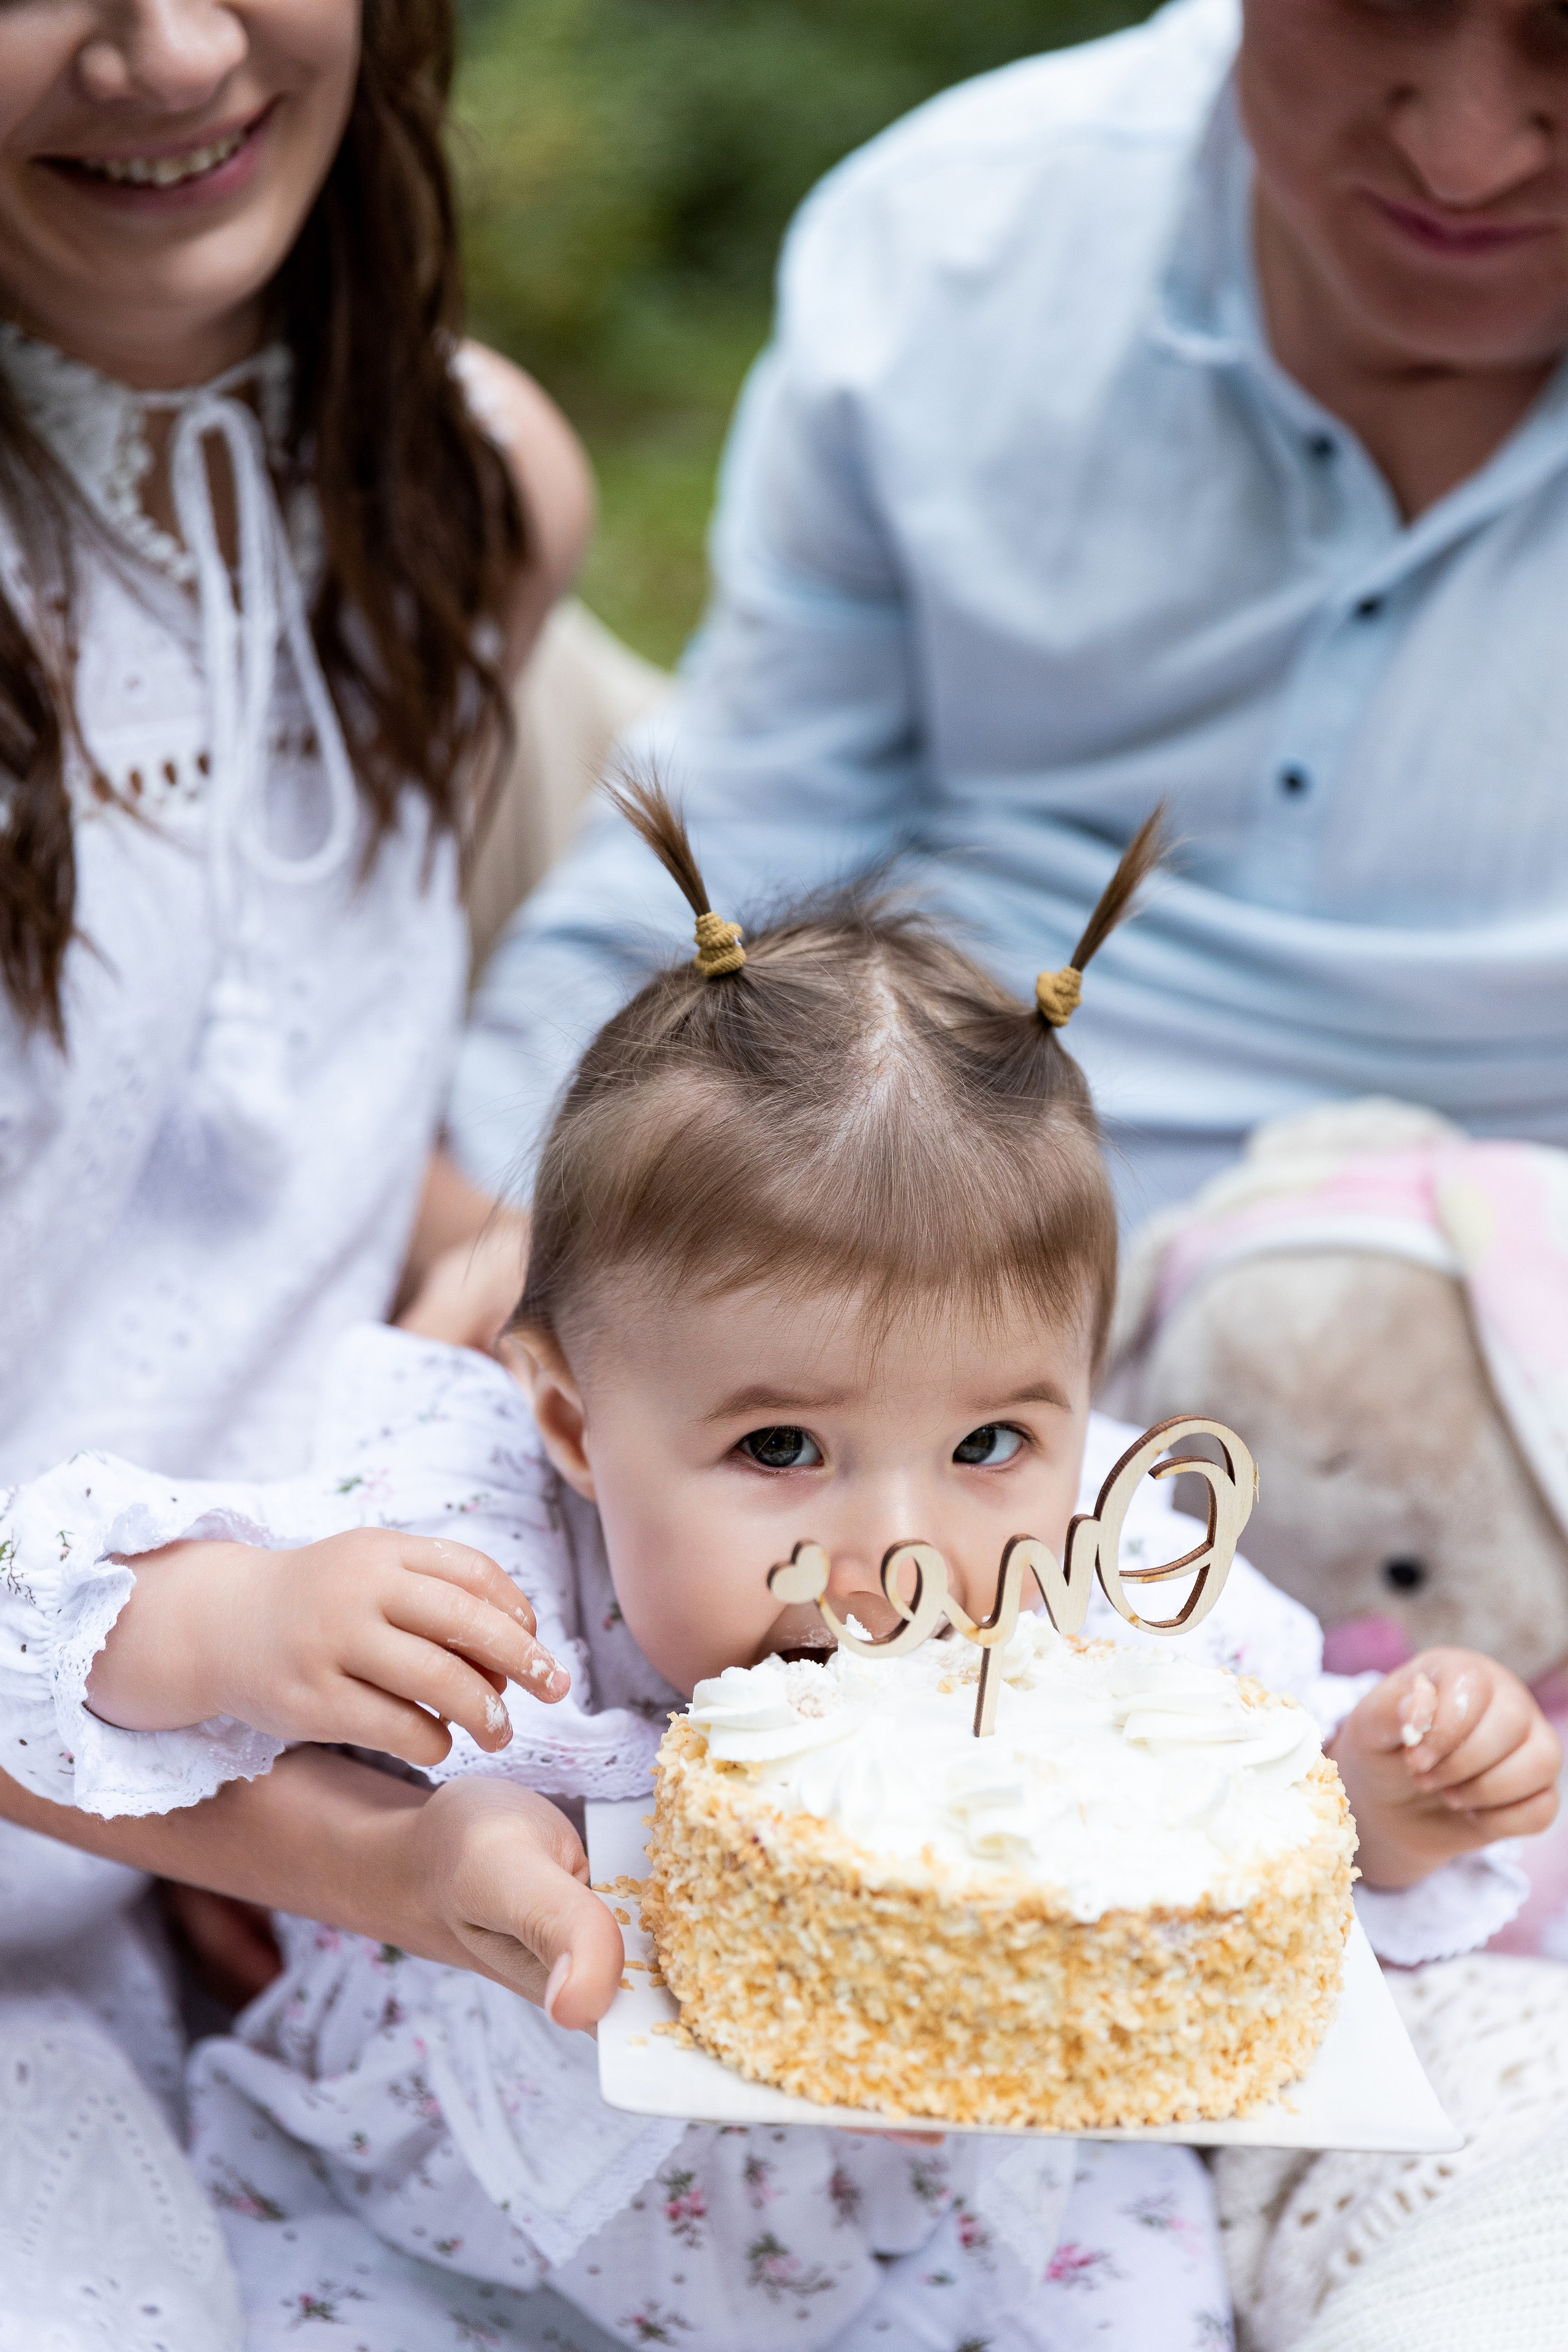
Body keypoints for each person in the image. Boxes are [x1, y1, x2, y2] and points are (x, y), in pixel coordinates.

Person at [1, 785, 1553, 2348]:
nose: (898, 1551)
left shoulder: (1103, 1579)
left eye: (989, 1442)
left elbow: (1259, 1828)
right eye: (781, 1448)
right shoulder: (474, 1532)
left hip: (944, 2238)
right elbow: (41, 1646)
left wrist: (1392, 1797)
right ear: (573, 1420)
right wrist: (237, 1618)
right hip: (460, 2227)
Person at [0, 3, 617, 2334]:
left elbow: (248, 1128)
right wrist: (357, 1844)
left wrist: (518, 1262)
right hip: (227, 1841)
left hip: (345, 1784)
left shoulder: (467, 483)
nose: (168, 53)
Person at [451, 0, 1568, 1229]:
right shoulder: (946, 246)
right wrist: (509, 1222)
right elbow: (751, 825)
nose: (1466, 156)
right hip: (915, 1248)